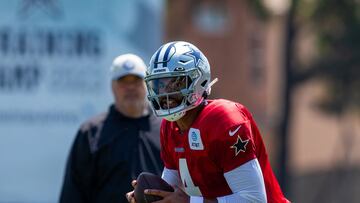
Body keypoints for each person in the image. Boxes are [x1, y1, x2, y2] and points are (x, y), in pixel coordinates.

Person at [126, 41, 290, 203]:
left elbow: (254, 200)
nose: (165, 93)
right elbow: (171, 193)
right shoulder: (170, 127)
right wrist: (150, 196)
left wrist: (190, 202)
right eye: (160, 84)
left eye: (175, 83)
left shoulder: (224, 120)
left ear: (198, 80)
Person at [60, 54, 163, 203]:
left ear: (147, 84)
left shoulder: (166, 129)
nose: (131, 87)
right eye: (123, 81)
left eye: (136, 80)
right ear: (112, 86)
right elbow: (73, 192)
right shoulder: (90, 132)